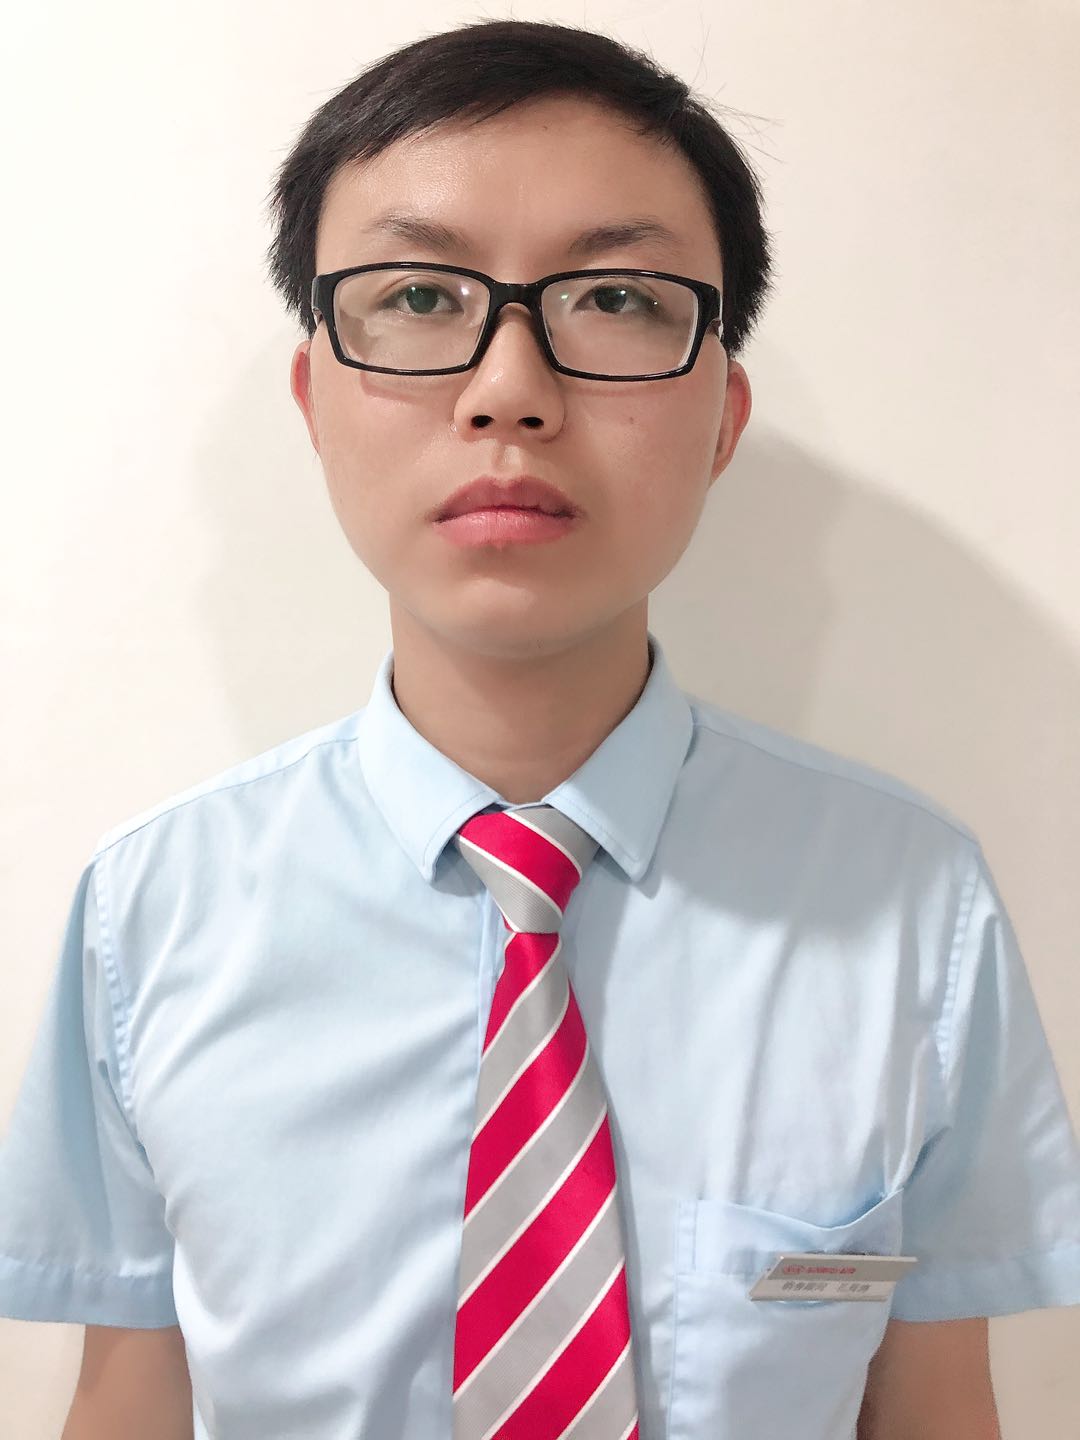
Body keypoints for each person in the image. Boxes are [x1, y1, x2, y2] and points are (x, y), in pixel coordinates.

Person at [2, 16, 1078, 1440]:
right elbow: (125, 1403)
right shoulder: (150, 917)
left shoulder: (909, 910)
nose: (509, 389)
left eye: (616, 298)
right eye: (418, 295)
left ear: (723, 415)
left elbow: (937, 1409)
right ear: (316, 399)